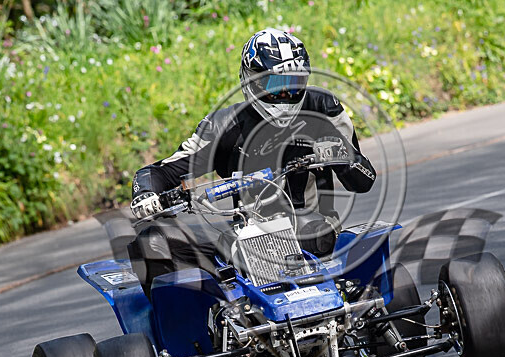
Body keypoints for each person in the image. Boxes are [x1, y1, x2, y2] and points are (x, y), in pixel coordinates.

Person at [127, 28, 377, 294]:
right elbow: (160, 171)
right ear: (251, 81)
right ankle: (192, 329)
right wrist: (146, 194)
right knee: (152, 241)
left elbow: (364, 180)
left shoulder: (323, 108)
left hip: (316, 233)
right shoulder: (223, 125)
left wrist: (344, 157)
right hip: (246, 237)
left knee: (332, 237)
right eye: (274, 85)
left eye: (293, 83)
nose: (284, 95)